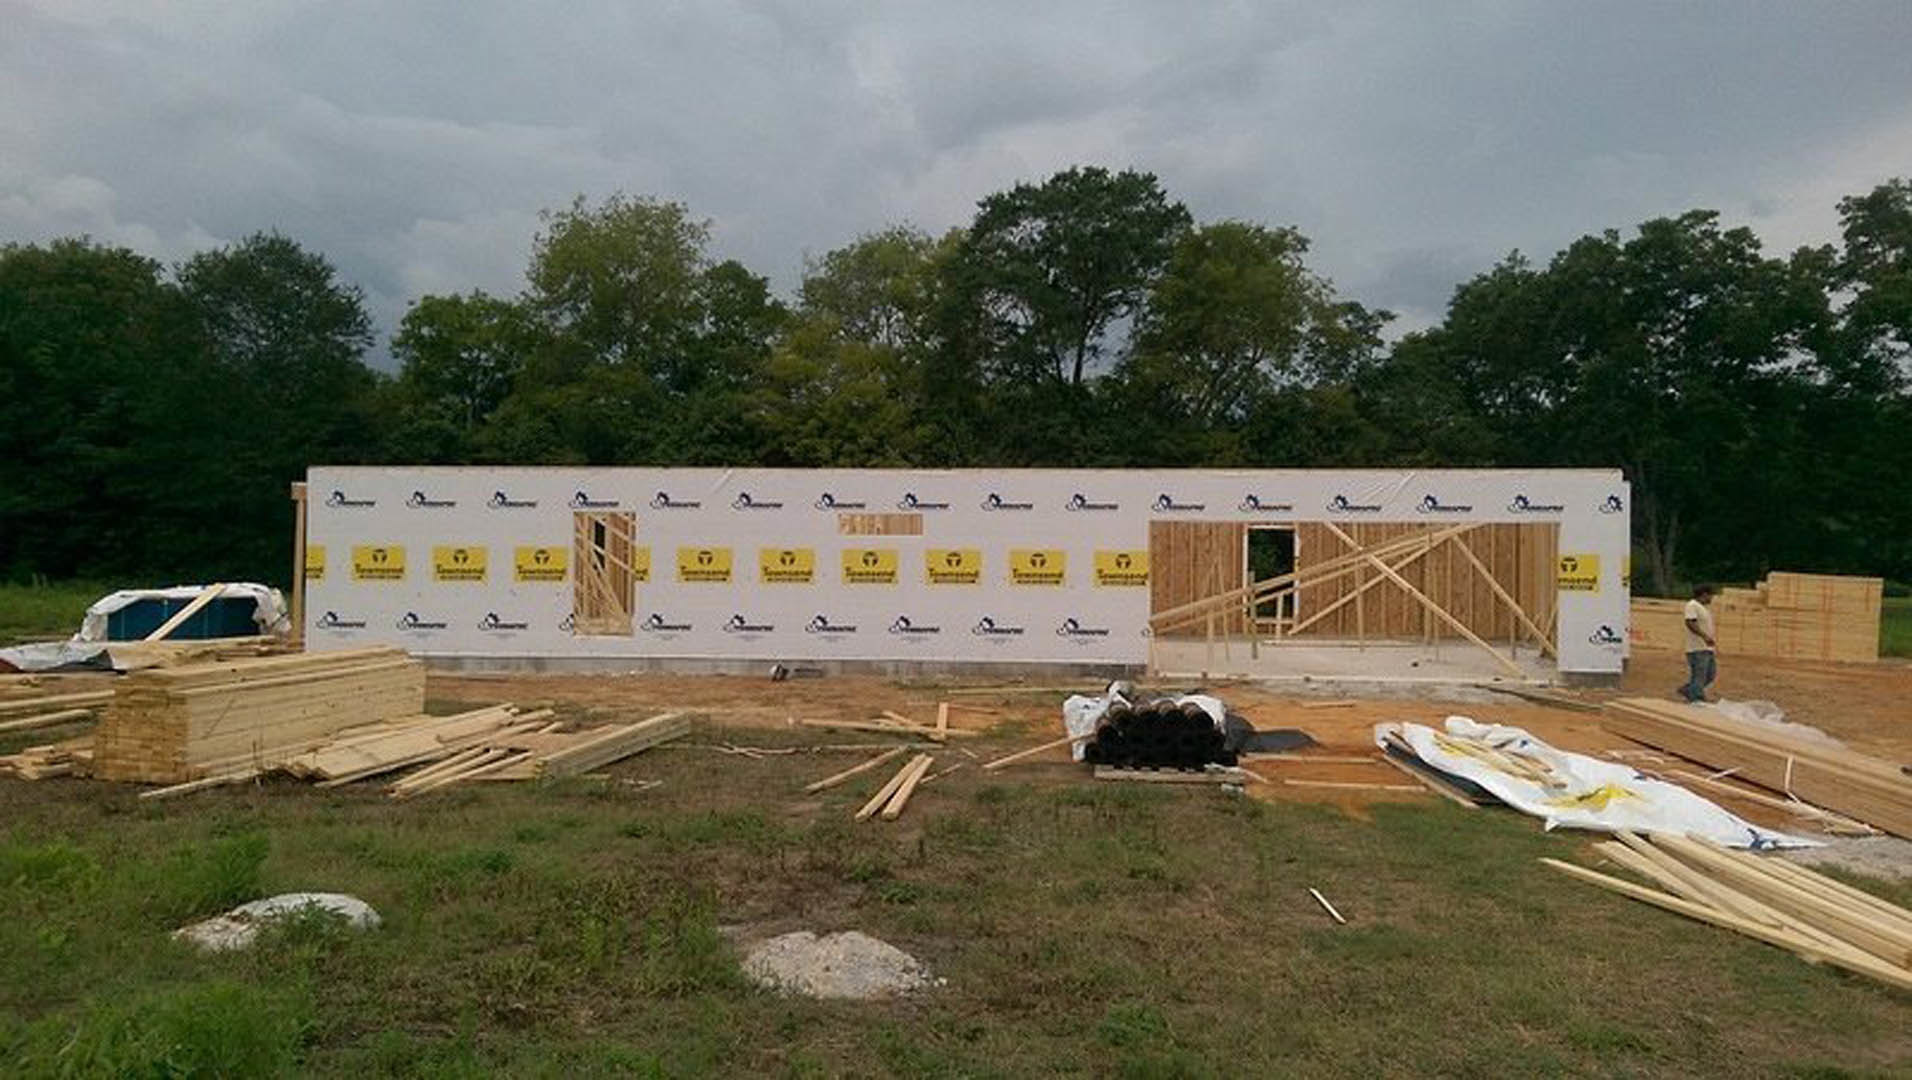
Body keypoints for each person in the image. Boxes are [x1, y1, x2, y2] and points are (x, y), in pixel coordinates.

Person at [1679, 584, 1718, 702]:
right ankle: (1696, 698)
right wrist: (1704, 636)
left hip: (1706, 648)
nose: (1711, 599)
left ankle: (1688, 690)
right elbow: (1690, 622)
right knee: (1699, 675)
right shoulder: (1692, 605)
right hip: (1697, 648)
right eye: (1710, 596)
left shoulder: (1703, 608)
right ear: (1704, 594)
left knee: (1710, 674)